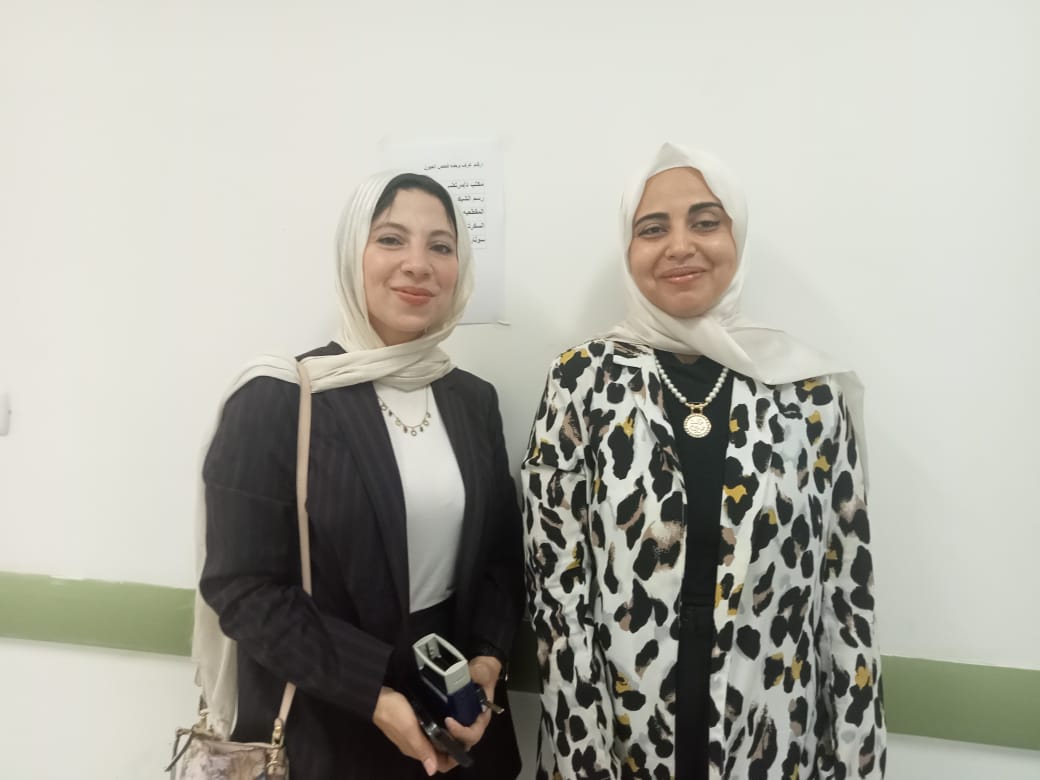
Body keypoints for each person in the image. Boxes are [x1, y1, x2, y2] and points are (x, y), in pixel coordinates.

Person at [522, 143, 885, 779]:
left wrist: (857, 761)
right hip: (623, 733)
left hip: (770, 728)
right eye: (652, 228)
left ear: (736, 235)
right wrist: (585, 760)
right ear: (628, 248)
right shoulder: (581, 381)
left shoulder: (808, 392)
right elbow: (557, 592)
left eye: (705, 222)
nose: (680, 246)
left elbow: (846, 595)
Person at [194, 172, 523, 778]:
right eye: (391, 239)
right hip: (328, 712)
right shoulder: (281, 397)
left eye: (441, 246)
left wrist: (486, 659)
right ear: (352, 254)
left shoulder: (472, 401)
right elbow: (241, 587)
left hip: (452, 714)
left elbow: (501, 556)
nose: (417, 264)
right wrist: (372, 693)